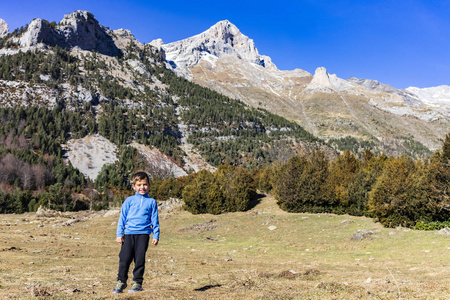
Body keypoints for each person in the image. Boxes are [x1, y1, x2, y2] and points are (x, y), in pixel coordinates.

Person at [112, 171, 160, 294]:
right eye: (139, 185)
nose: (142, 187)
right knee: (124, 258)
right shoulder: (129, 200)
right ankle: (121, 282)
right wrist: (119, 234)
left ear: (148, 185)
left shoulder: (152, 202)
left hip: (143, 235)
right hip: (128, 234)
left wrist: (156, 235)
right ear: (133, 186)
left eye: (144, 184)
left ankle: (137, 283)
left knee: (139, 260)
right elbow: (122, 218)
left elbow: (155, 220)